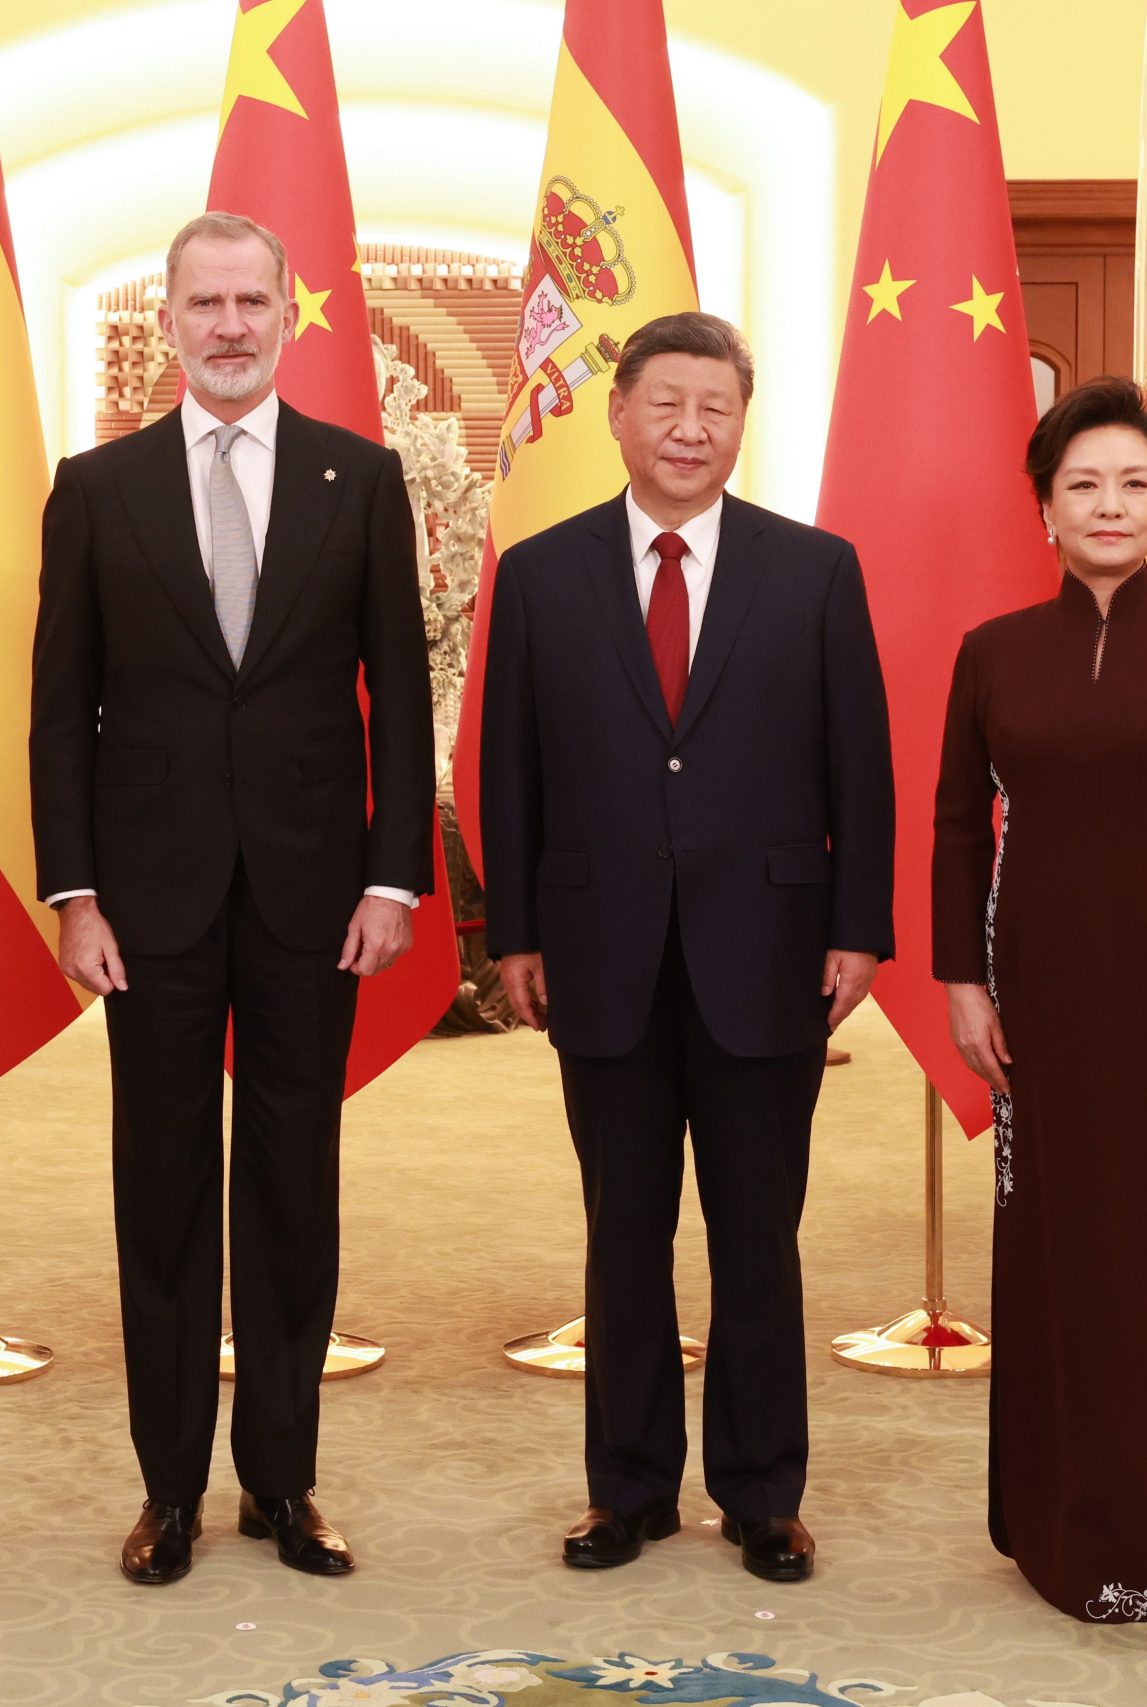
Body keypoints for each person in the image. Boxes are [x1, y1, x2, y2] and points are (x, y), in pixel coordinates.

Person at [29, 212, 433, 1586]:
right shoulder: (97, 485)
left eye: (252, 299)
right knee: (160, 1188)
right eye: (204, 301)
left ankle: (284, 1479)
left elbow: (402, 693)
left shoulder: (360, 477)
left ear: (287, 313)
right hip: (144, 900)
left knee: (290, 1186)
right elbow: (56, 710)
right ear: (170, 317)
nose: (229, 324)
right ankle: (168, 1489)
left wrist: (394, 872)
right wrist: (73, 892)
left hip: (316, 893)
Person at [478, 311, 894, 1584]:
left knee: (758, 1236)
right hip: (598, 952)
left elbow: (859, 771)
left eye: (714, 407)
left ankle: (762, 1494)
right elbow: (510, 769)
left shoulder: (814, 569)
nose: (689, 429)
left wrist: (858, 931)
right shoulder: (543, 573)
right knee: (624, 1234)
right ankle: (628, 1489)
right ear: (618, 414)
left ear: (739, 422)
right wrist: (515, 936)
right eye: (665, 403)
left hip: (766, 951)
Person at [933, 375, 1147, 1622]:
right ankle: (1043, 1519)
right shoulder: (991, 653)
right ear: (1044, 506)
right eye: (1082, 482)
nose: (1108, 503)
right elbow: (954, 832)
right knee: (1047, 1243)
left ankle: (1145, 1536)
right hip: (1026, 986)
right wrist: (962, 983)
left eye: (1133, 483)